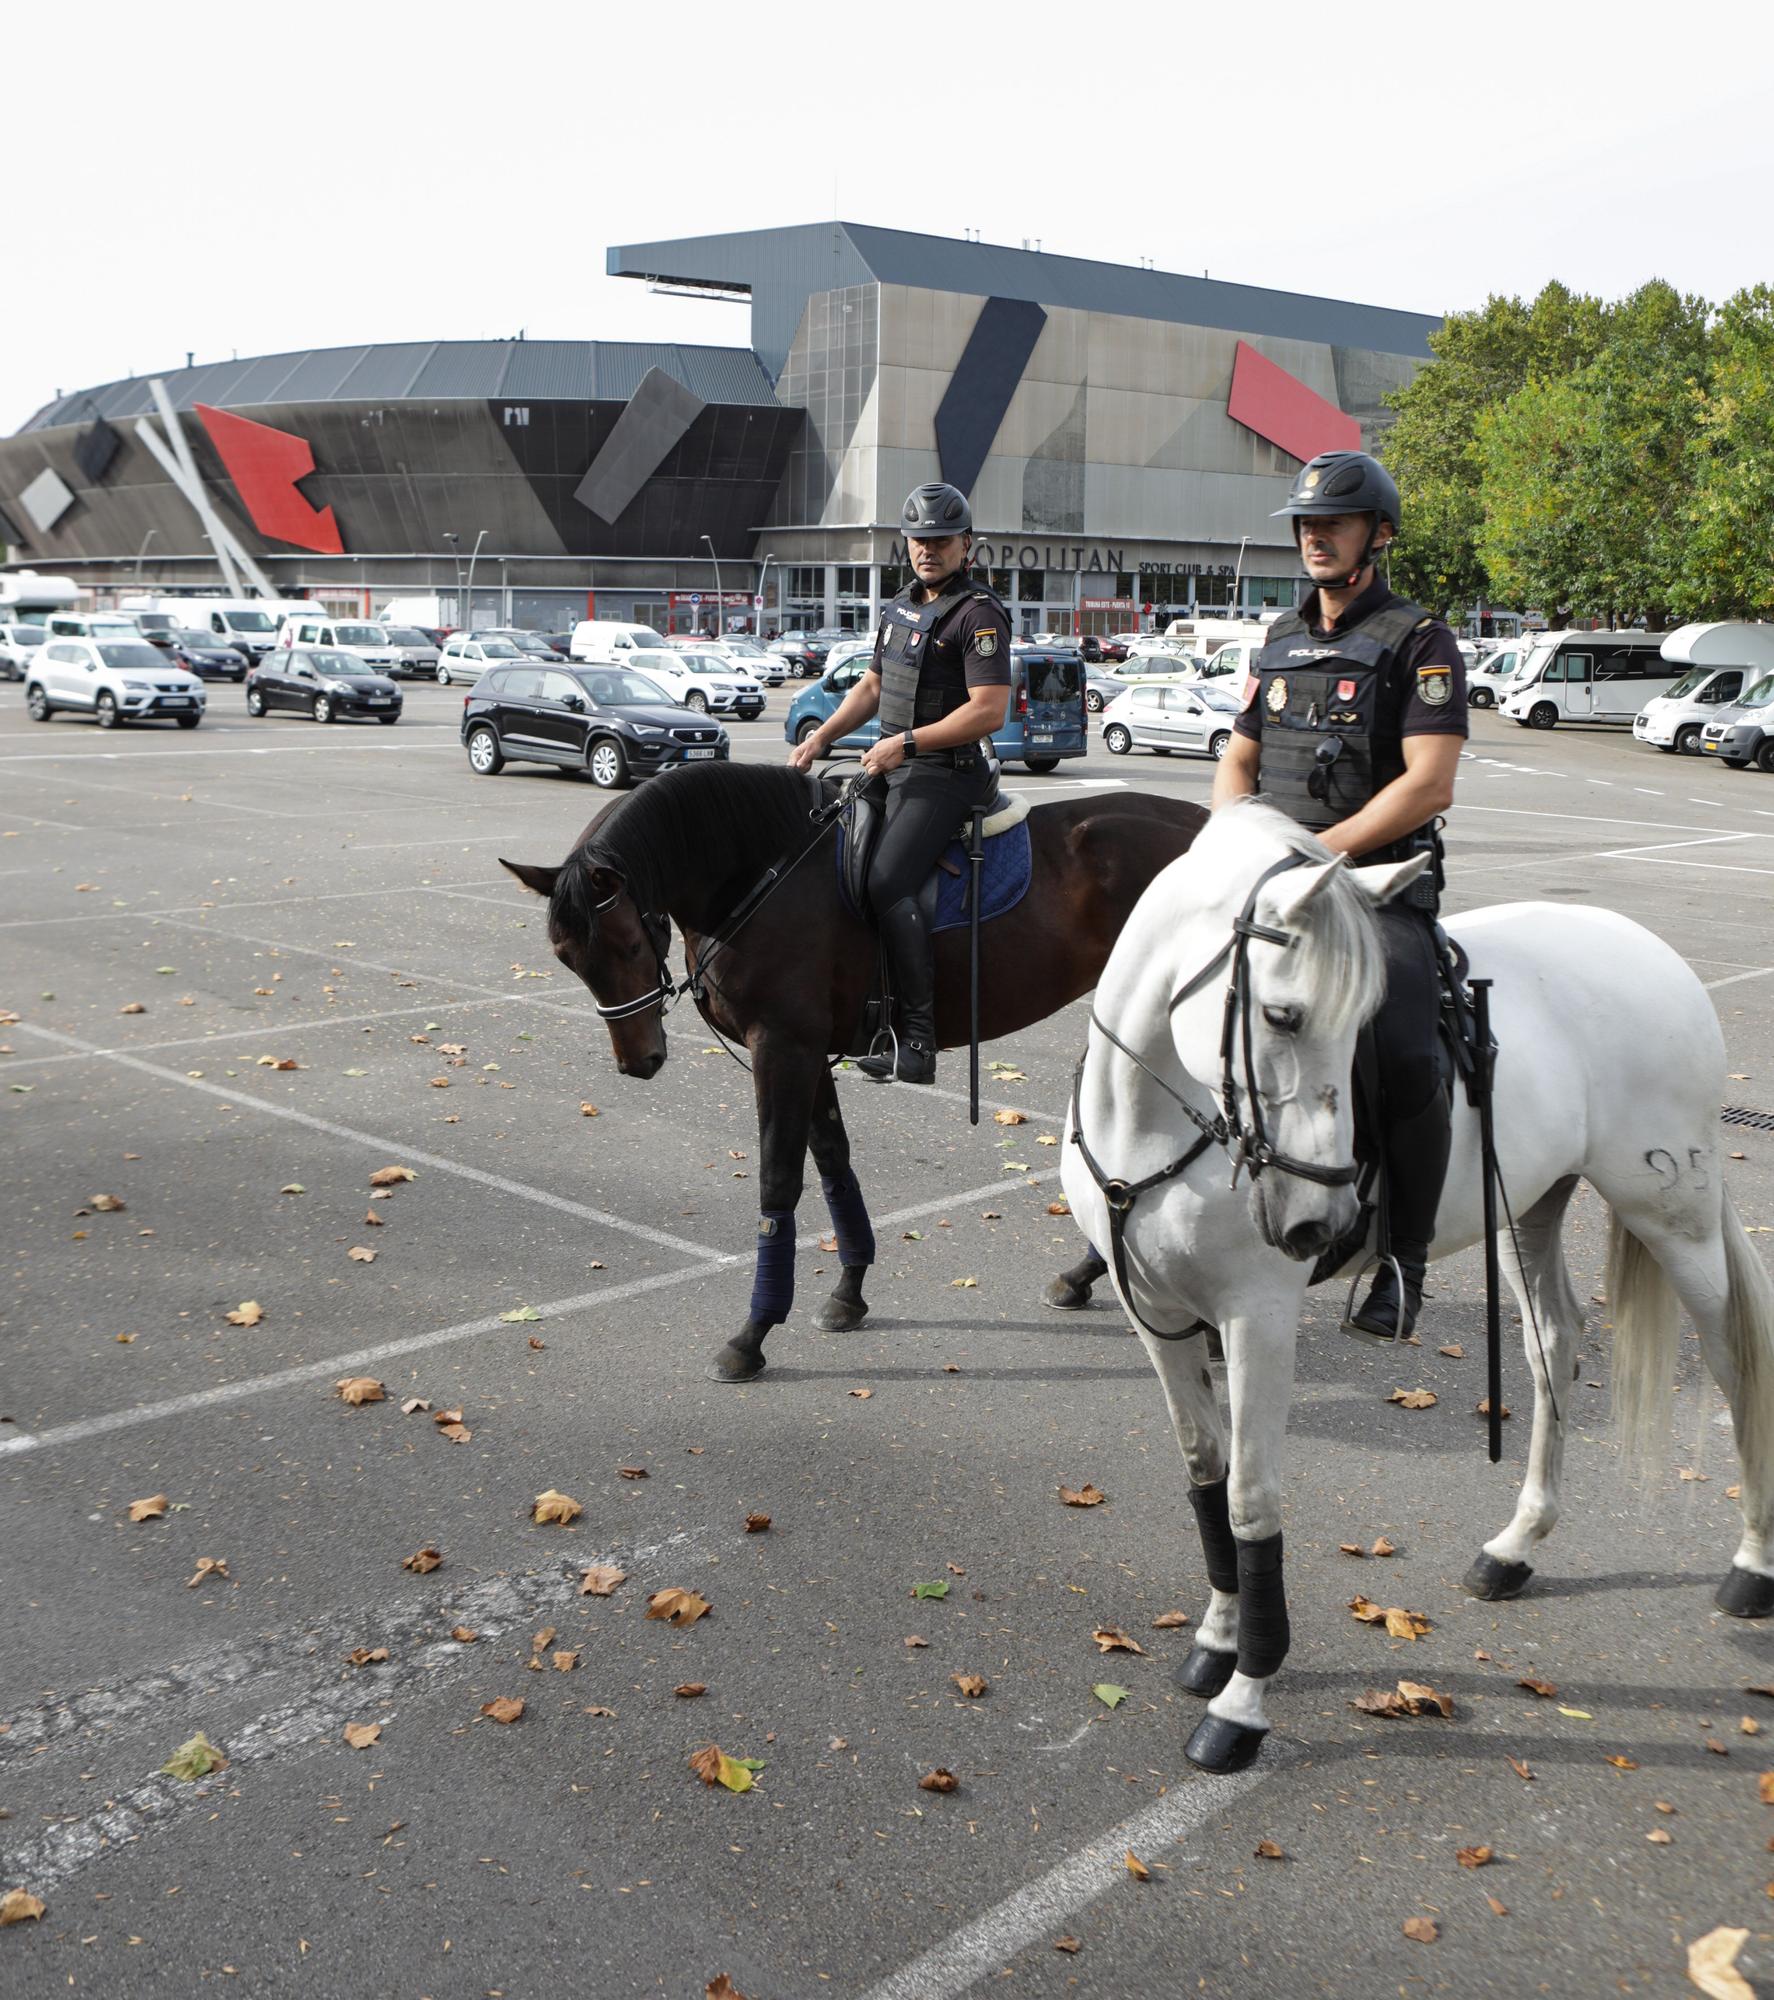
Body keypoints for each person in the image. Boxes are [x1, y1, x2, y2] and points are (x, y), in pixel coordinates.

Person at [1210, 449, 1467, 1339]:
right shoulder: (1279, 638)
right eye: (1306, 524)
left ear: (1378, 534)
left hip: (1374, 888)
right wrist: (1235, 839)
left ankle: (1404, 1259)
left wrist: (1314, 853)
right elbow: (1240, 757)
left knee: (1403, 1054)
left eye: (1335, 523)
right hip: (1276, 884)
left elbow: (1429, 783)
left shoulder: (1419, 640)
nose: (1315, 537)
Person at [787, 482, 1012, 1083]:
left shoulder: (978, 614)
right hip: (892, 764)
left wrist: (906, 743)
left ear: (966, 544)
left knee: (887, 881)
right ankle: (862, 1006)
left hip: (946, 773)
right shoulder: (901, 607)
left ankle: (917, 1039)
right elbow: (873, 686)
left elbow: (990, 710)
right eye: (918, 540)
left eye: (941, 540)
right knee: (828, 854)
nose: (927, 550)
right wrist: (821, 737)